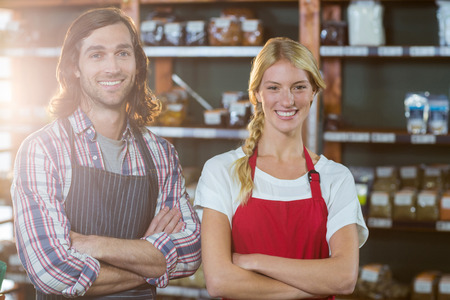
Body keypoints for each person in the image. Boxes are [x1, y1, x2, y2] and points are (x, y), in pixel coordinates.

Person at [11, 7, 201, 299]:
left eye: (123, 53)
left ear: (137, 63)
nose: (112, 68)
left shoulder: (161, 154)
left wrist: (92, 244)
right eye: (97, 55)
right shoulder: (44, 150)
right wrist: (149, 257)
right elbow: (51, 270)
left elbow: (191, 252)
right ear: (75, 66)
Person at [194, 37, 369, 299]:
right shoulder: (221, 170)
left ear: (313, 93)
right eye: (274, 88)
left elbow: (343, 279)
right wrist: (314, 286)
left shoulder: (336, 178)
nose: (287, 101)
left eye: (298, 87)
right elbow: (220, 281)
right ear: (257, 94)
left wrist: (255, 261)